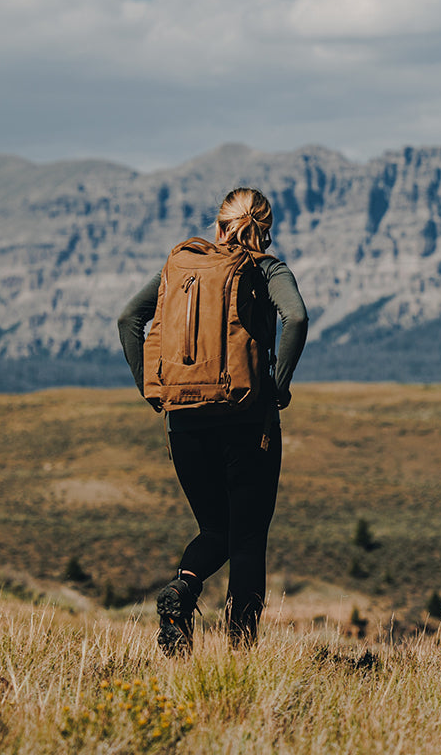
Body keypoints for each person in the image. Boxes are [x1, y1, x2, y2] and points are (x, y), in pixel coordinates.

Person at [117, 187, 308, 653]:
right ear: (264, 229)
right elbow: (297, 318)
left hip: (184, 423)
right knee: (246, 538)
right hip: (247, 422)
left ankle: (183, 589)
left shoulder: (183, 266)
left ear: (219, 224)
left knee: (214, 531)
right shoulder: (266, 268)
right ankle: (240, 653)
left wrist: (154, 388)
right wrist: (277, 386)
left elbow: (128, 319)